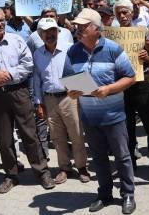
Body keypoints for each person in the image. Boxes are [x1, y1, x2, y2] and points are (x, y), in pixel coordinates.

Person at [0, 8, 55, 193]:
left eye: (2, 20)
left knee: (29, 133)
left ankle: (42, 172)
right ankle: (11, 174)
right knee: (4, 137)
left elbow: (28, 65)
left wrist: (8, 75)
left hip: (19, 92)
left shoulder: (17, 40)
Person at [63, 8, 137, 214]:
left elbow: (130, 77)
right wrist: (72, 92)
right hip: (89, 117)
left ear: (95, 28)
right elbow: (68, 83)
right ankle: (104, 194)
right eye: (76, 26)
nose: (77, 29)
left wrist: (109, 89)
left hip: (114, 116)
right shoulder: (72, 51)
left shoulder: (113, 49)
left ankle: (128, 194)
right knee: (98, 158)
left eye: (82, 26)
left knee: (122, 156)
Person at [32, 18, 90, 185]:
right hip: (49, 99)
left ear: (57, 32)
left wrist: (83, 94)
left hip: (69, 97)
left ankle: (82, 167)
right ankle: (64, 168)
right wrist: (38, 102)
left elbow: (80, 70)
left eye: (53, 31)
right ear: (40, 35)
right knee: (57, 137)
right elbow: (37, 79)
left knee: (77, 134)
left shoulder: (70, 49)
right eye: (46, 32)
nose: (50, 35)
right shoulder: (37, 54)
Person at [114, 0, 149, 176]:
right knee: (127, 128)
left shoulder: (143, 32)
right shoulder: (111, 36)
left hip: (142, 83)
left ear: (131, 13)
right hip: (121, 86)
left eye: (125, 12)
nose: (122, 15)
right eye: (119, 13)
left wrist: (147, 55)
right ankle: (131, 163)